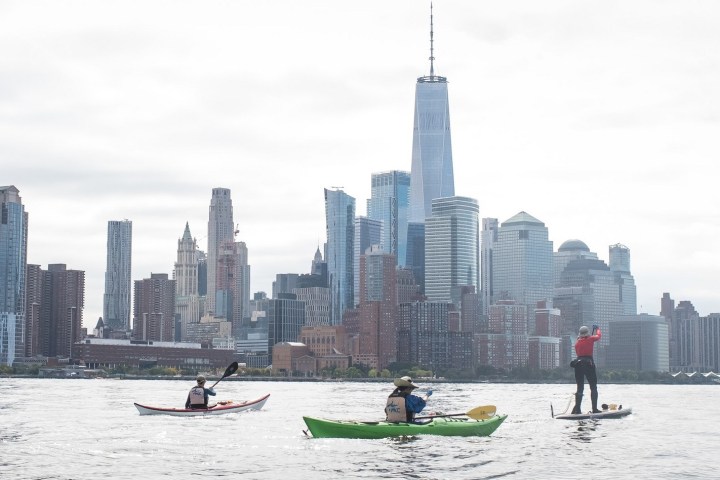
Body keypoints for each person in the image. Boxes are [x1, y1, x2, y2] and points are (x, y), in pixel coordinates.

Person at [571, 325, 601, 414]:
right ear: (587, 333)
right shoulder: (591, 339)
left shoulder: (576, 343)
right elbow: (598, 336)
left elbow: (580, 351)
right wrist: (597, 329)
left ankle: (578, 410)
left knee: (580, 388)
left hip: (578, 365)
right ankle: (594, 409)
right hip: (588, 364)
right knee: (593, 387)